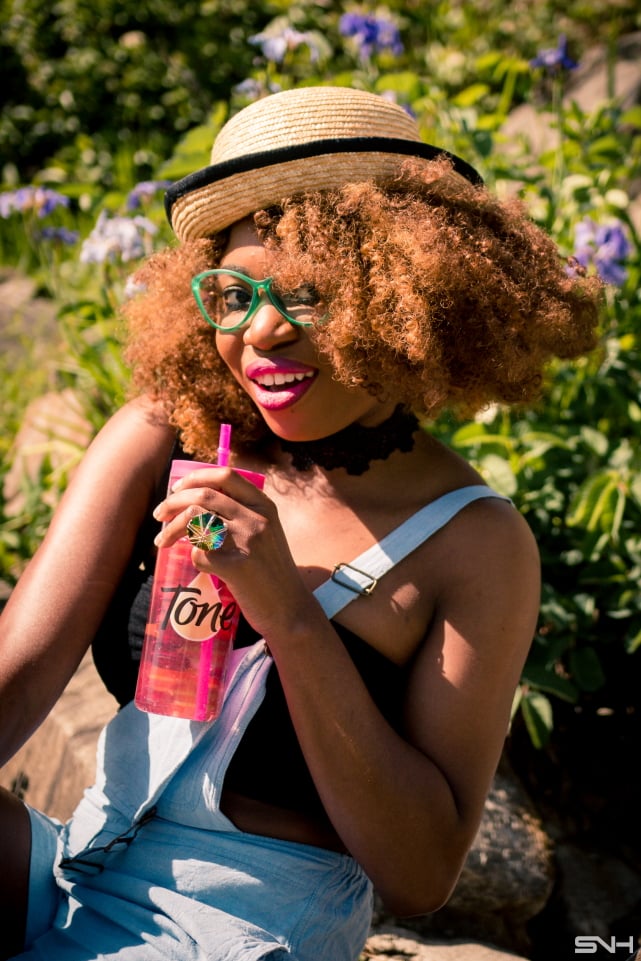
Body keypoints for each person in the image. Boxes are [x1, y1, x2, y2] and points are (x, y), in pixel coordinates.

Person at [0, 85, 600, 960]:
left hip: (248, 928)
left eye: (310, 296)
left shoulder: (474, 540)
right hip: (77, 860)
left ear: (407, 300)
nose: (260, 332)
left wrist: (285, 612)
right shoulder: (162, 432)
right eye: (232, 294)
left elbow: (421, 872)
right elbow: (15, 678)